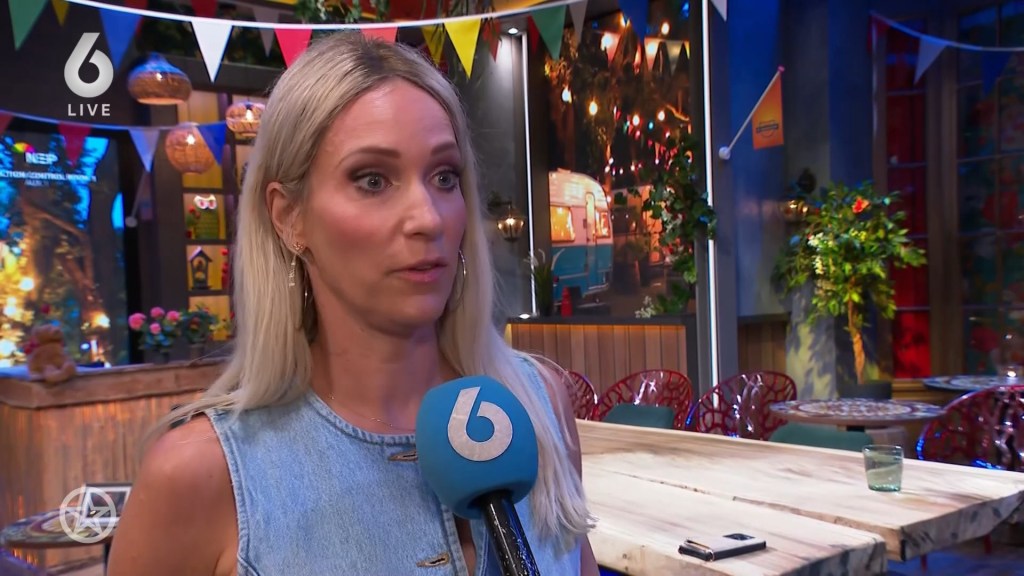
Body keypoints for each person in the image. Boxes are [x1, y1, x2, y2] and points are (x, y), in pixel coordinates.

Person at [107, 32, 600, 576]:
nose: (428, 218)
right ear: (289, 217)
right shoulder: (198, 476)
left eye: (444, 177)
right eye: (372, 180)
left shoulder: (539, 404)